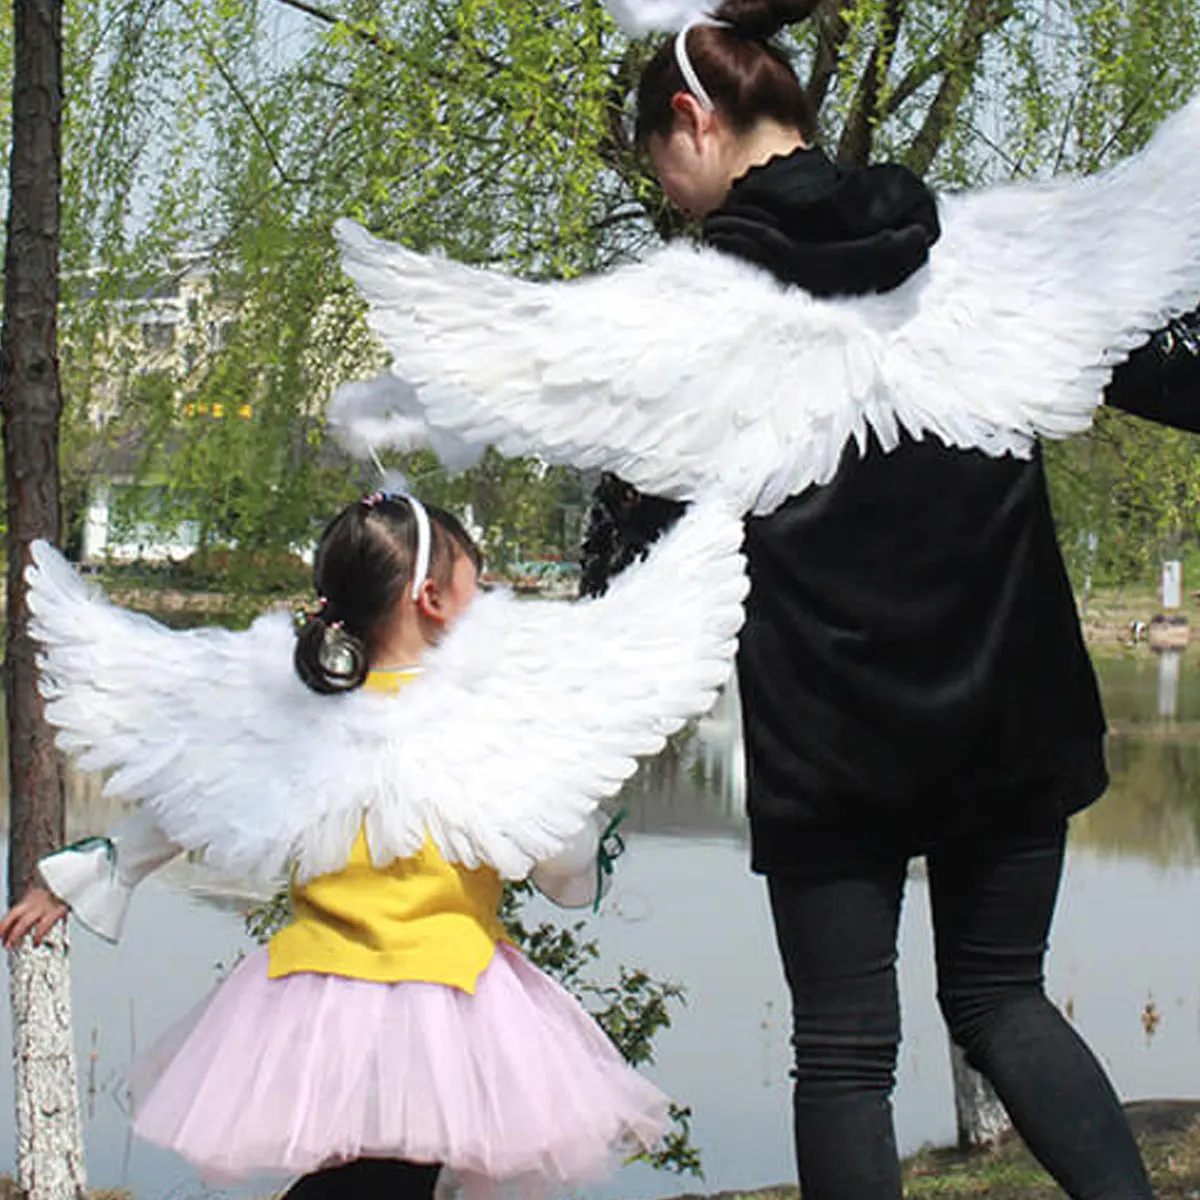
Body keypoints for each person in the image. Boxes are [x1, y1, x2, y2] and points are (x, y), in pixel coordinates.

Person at [578, 2, 1200, 1198]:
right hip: (1011, 710)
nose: (662, 188)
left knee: (845, 1052)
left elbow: (620, 557)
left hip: (833, 736)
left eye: (654, 156)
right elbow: (1159, 371)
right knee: (1002, 997)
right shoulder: (970, 249)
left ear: (694, 120)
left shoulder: (699, 308)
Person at [1, 491, 674, 1200]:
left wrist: (81, 877)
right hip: (451, 991)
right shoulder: (486, 723)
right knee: (393, 1176)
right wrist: (583, 860)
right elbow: (560, 852)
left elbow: (191, 801)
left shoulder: (298, 715)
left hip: (319, 997)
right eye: (478, 588)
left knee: (379, 1174)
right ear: (433, 599)